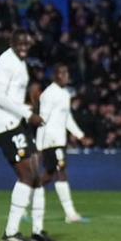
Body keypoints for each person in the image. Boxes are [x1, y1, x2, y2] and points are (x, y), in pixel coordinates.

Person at [0, 32, 53, 241]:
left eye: (27, 43)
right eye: (20, 43)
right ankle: (10, 233)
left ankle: (37, 230)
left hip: (17, 122)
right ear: (12, 43)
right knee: (27, 174)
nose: (24, 46)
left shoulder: (19, 62)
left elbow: (12, 98)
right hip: (6, 125)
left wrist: (28, 109)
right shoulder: (4, 63)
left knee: (36, 174)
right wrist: (28, 114)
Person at [36, 63, 87, 224]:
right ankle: (70, 213)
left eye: (67, 73)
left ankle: (25, 196)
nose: (66, 76)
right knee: (61, 172)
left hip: (59, 140)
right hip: (50, 141)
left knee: (49, 175)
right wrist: (39, 146)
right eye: (63, 73)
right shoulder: (48, 94)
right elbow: (42, 120)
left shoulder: (65, 94)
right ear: (55, 76)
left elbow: (67, 118)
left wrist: (80, 135)